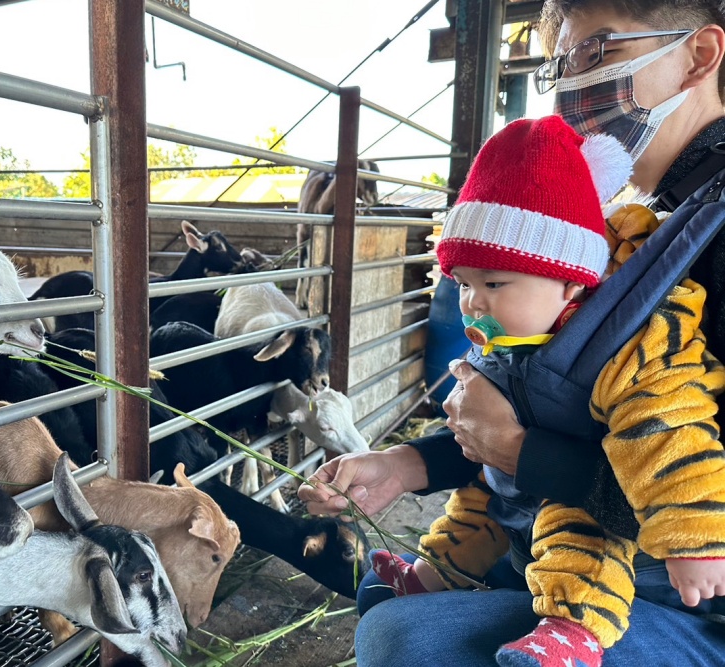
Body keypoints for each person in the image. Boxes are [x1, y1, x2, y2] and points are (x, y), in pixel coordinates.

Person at [298, 2, 725, 665]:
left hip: (684, 583)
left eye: (599, 54)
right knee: (395, 608)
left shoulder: (706, 240)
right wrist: (408, 465)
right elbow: (557, 400)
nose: (572, 89)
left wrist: (519, 451)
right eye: (563, 64)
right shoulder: (636, 225)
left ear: (700, 54)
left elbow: (683, 475)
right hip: (564, 530)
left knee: (401, 639)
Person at [368, 113, 725, 667]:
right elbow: (482, 435)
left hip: (623, 539)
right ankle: (430, 576)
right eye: (463, 283)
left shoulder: (627, 344)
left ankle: (572, 630)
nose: (472, 303)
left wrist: (694, 537)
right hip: (522, 496)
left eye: (493, 283)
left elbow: (667, 430)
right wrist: (406, 460)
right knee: (475, 503)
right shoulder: (520, 331)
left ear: (570, 279)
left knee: (572, 527)